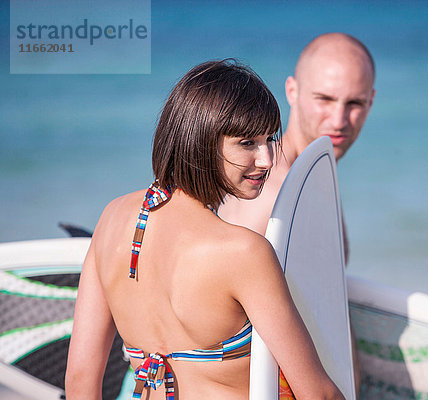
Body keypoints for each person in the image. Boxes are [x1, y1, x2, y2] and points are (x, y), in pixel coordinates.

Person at [65, 60, 344, 400]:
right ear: (202, 141)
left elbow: (80, 381)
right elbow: (319, 394)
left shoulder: (112, 217)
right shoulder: (244, 252)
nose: (268, 158)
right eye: (247, 143)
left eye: (269, 138)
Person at [218, 33, 376, 240]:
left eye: (354, 103)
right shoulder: (270, 191)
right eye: (324, 99)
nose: (339, 121)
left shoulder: (315, 172)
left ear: (370, 102)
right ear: (292, 91)